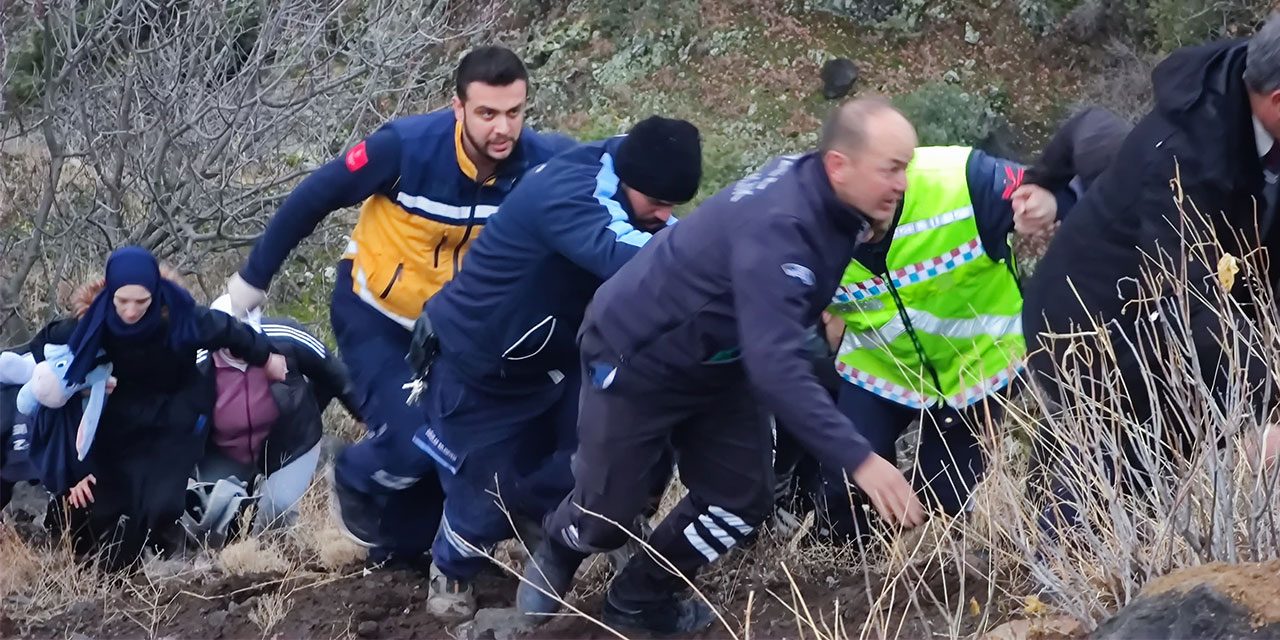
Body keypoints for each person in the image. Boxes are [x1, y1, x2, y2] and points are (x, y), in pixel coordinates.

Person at [517, 97, 926, 635]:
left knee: (739, 503)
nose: (901, 183)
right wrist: (861, 459)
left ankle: (640, 599)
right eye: (891, 169)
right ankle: (561, 541)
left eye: (906, 167)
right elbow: (776, 363)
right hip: (638, 352)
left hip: (724, 360)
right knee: (608, 516)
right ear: (838, 166)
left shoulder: (833, 194)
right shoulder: (783, 229)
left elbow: (775, 329)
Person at [224, 46, 572, 562]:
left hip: (458, 331)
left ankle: (407, 549)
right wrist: (252, 280)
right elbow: (314, 196)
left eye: (515, 113)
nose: (504, 128)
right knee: (415, 443)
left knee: (459, 447)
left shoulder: (541, 164)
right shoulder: (406, 148)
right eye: (487, 113)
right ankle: (354, 475)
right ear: (458, 108)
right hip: (377, 316)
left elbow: (607, 174)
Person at [392, 116, 701, 618]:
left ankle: (576, 520)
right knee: (485, 492)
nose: (666, 216)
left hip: (557, 356)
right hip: (477, 361)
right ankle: (453, 564)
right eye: (658, 203)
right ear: (628, 179)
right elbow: (635, 259)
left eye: (673, 205)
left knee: (605, 449)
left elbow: (675, 240)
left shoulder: (636, 173)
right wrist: (727, 258)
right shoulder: (571, 196)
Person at [1022, 18, 1280, 519]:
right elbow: (1192, 300)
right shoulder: (1184, 155)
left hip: (1175, 314)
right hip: (1089, 326)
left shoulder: (1250, 83)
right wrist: (1265, 401)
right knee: (1124, 477)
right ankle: (1054, 576)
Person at [814, 143, 1067, 543]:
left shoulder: (963, 181)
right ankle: (852, 580)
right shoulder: (801, 228)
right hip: (880, 370)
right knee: (845, 488)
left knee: (943, 504)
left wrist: (1052, 200)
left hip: (978, 369)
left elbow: (1061, 187)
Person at [29, 247, 279, 569]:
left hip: (174, 418)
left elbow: (231, 331)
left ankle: (165, 560)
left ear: (155, 294)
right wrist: (78, 381)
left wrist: (268, 357)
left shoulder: (180, 318)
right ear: (110, 294)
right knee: (107, 505)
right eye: (123, 301)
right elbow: (42, 347)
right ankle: (108, 563)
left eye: (141, 301)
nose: (131, 311)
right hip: (119, 422)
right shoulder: (92, 323)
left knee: (160, 505)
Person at [191, 296, 364, 534]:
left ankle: (267, 559)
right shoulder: (196, 361)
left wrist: (370, 418)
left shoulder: (286, 335)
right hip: (225, 450)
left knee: (277, 511)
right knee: (213, 518)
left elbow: (334, 373)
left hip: (291, 445)